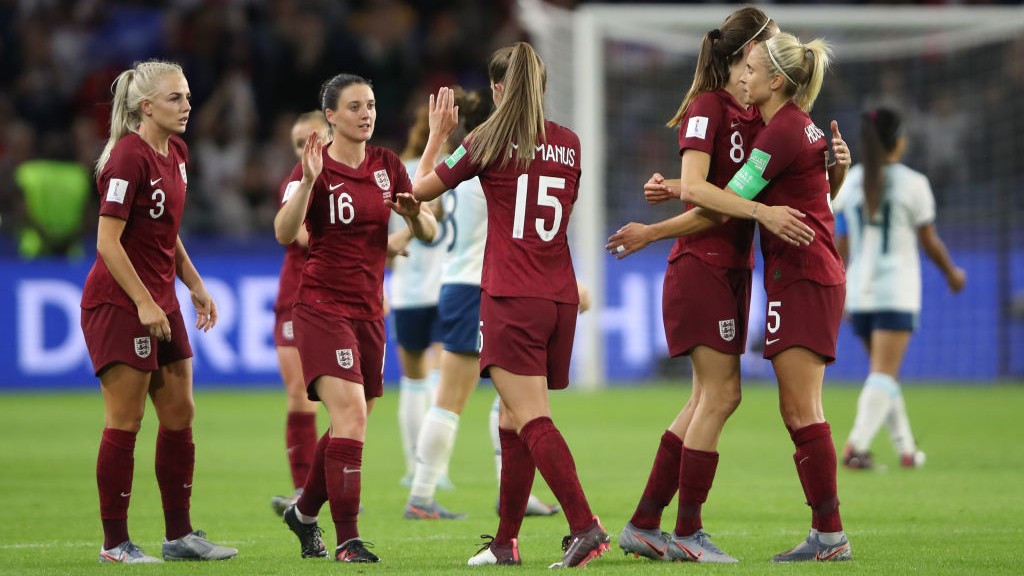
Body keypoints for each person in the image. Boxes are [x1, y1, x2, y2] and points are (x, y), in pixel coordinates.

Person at [412, 43, 609, 568]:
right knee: (511, 423)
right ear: (541, 86)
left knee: (532, 419)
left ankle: (585, 526)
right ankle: (505, 543)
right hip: (560, 296)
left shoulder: (485, 140)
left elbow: (418, 194)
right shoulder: (570, 143)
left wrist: (436, 138)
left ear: (499, 89)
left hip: (511, 296)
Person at [667, 32, 854, 562]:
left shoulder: (782, 132)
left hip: (804, 277)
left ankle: (829, 535)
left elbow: (728, 205)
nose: (741, 77)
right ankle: (827, 533)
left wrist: (665, 214)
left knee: (800, 409)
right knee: (799, 409)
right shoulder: (793, 127)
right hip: (804, 275)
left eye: (749, 69)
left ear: (775, 81)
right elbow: (813, 197)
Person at [605, 7, 777, 564]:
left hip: (730, 268)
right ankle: (688, 531)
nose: (773, 53)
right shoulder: (708, 107)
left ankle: (644, 524)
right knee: (723, 394)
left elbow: (709, 194)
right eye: (768, 43)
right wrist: (657, 227)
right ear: (746, 49)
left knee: (705, 398)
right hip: (700, 266)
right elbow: (704, 198)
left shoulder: (754, 112)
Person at [274, 73, 437, 563]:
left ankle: (303, 514)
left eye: (370, 105)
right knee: (350, 415)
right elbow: (285, 232)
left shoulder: (386, 165)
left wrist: (412, 215)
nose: (366, 114)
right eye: (354, 107)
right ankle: (347, 539)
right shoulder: (314, 166)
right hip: (322, 306)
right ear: (331, 116)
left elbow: (427, 230)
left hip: (369, 311)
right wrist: (305, 181)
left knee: (353, 419)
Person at [80, 59, 237, 564]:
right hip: (121, 301)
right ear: (146, 106)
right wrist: (145, 300)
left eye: (188, 96)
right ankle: (114, 545)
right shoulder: (128, 157)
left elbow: (165, 233)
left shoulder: (178, 153)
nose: (187, 105)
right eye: (176, 98)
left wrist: (193, 284)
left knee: (180, 412)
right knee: (125, 420)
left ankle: (179, 537)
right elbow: (108, 242)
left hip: (160, 300)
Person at [402, 87, 561, 520]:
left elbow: (425, 203)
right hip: (480, 288)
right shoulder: (487, 168)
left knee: (512, 399)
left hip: (462, 284)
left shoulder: (458, 168)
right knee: (454, 397)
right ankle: (420, 496)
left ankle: (514, 494)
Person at [834, 107, 966, 471]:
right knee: (884, 375)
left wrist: (839, 288)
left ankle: (907, 450)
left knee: (883, 375)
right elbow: (930, 242)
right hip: (897, 291)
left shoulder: (851, 181)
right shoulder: (914, 184)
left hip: (859, 291)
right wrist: (953, 273)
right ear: (899, 141)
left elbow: (840, 245)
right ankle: (855, 448)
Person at [269, 111, 330, 516]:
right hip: (297, 298)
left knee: (354, 404)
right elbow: (305, 236)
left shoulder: (349, 176)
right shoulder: (297, 182)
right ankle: (301, 489)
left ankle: (317, 490)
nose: (304, 149)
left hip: (338, 300)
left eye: (311, 139)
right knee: (300, 395)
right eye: (296, 143)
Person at [390, 103, 450, 492]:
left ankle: (415, 466)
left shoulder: (394, 170)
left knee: (413, 380)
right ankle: (434, 472)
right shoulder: (453, 168)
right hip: (446, 284)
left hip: (407, 288)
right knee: (442, 379)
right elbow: (439, 210)